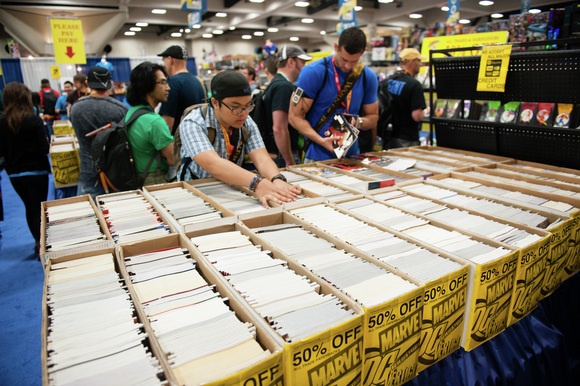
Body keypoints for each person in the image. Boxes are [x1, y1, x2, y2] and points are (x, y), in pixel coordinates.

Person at [177, 70, 301, 207]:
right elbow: (212, 164)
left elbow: (262, 158)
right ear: (215, 103)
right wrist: (257, 183)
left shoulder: (246, 121)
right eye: (235, 107)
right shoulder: (194, 122)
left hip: (232, 188)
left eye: (248, 106)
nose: (243, 113)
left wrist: (276, 179)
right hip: (197, 191)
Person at [288, 27, 379, 162]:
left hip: (351, 156)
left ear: (363, 52)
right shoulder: (314, 72)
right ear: (336, 47)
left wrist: (357, 122)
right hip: (317, 156)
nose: (347, 66)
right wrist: (322, 141)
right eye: (343, 59)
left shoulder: (367, 77)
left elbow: (373, 117)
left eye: (353, 61)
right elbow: (294, 117)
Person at [0, 82, 51, 258]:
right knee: (39, 208)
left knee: (29, 208)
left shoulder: (1, 121)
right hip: (37, 171)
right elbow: (44, 148)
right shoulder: (33, 119)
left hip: (14, 174)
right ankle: (44, 244)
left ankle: (38, 242)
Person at [70, 66, 128, 199]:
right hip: (115, 173)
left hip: (87, 173)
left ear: (87, 83)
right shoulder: (120, 109)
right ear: (110, 84)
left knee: (89, 216)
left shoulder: (76, 108)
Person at [125, 61, 174, 186]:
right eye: (162, 82)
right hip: (155, 180)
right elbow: (173, 159)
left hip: (136, 177)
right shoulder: (154, 121)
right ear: (147, 85)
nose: (168, 87)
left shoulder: (131, 113)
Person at [263, 45, 312, 167]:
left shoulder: (275, 84)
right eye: (302, 62)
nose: (304, 67)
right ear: (291, 62)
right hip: (282, 155)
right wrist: (289, 161)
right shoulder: (283, 87)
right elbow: (279, 128)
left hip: (278, 153)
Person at [384, 47, 428, 149]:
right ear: (412, 62)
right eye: (419, 61)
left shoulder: (390, 80)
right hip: (407, 139)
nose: (420, 64)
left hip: (389, 136)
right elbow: (417, 116)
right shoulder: (414, 85)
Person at [157, 45, 205, 135]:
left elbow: (167, 124)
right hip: (196, 137)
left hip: (178, 142)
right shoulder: (197, 82)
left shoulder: (172, 83)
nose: (164, 66)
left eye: (164, 61)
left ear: (170, 60)